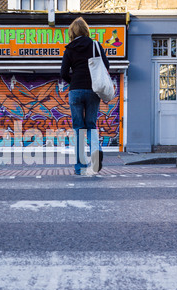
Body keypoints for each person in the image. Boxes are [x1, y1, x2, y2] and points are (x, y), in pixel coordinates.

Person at [60, 17, 109, 175]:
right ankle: (96, 151)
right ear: (86, 30)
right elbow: (106, 65)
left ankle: (79, 167)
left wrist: (73, 81)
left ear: (72, 32)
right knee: (91, 124)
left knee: (78, 128)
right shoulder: (95, 45)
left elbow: (63, 73)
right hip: (93, 89)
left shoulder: (69, 48)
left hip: (75, 91)